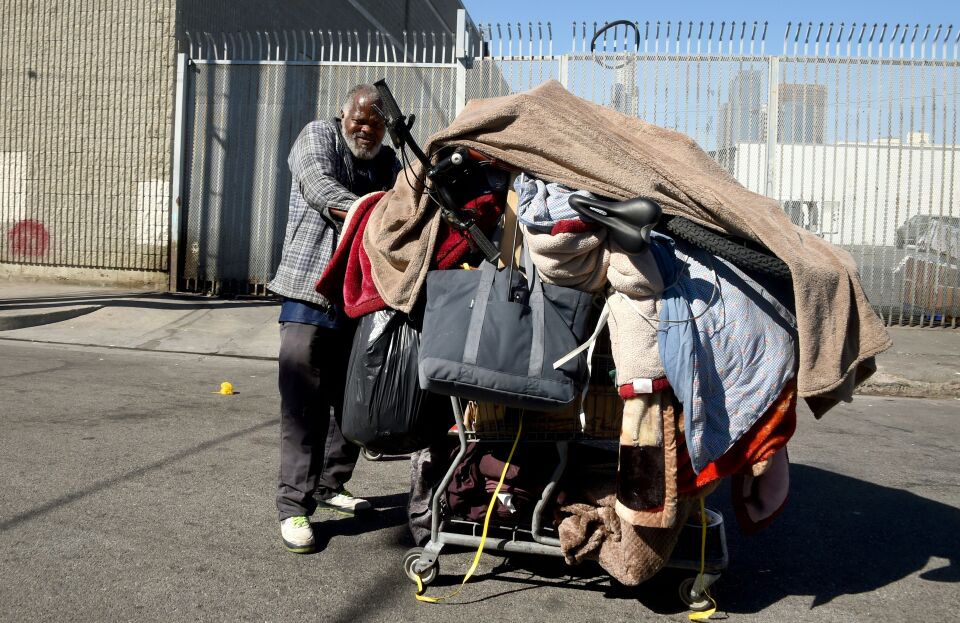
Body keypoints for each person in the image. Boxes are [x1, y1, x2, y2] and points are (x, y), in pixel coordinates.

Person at [268, 84, 401, 554]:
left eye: (376, 123)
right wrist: (377, 215)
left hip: (361, 298)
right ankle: (293, 507)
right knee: (303, 398)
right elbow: (319, 186)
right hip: (309, 289)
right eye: (359, 119)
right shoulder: (316, 136)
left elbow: (408, 203)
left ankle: (330, 485)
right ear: (343, 114)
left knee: (351, 398)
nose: (365, 128)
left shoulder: (387, 163)